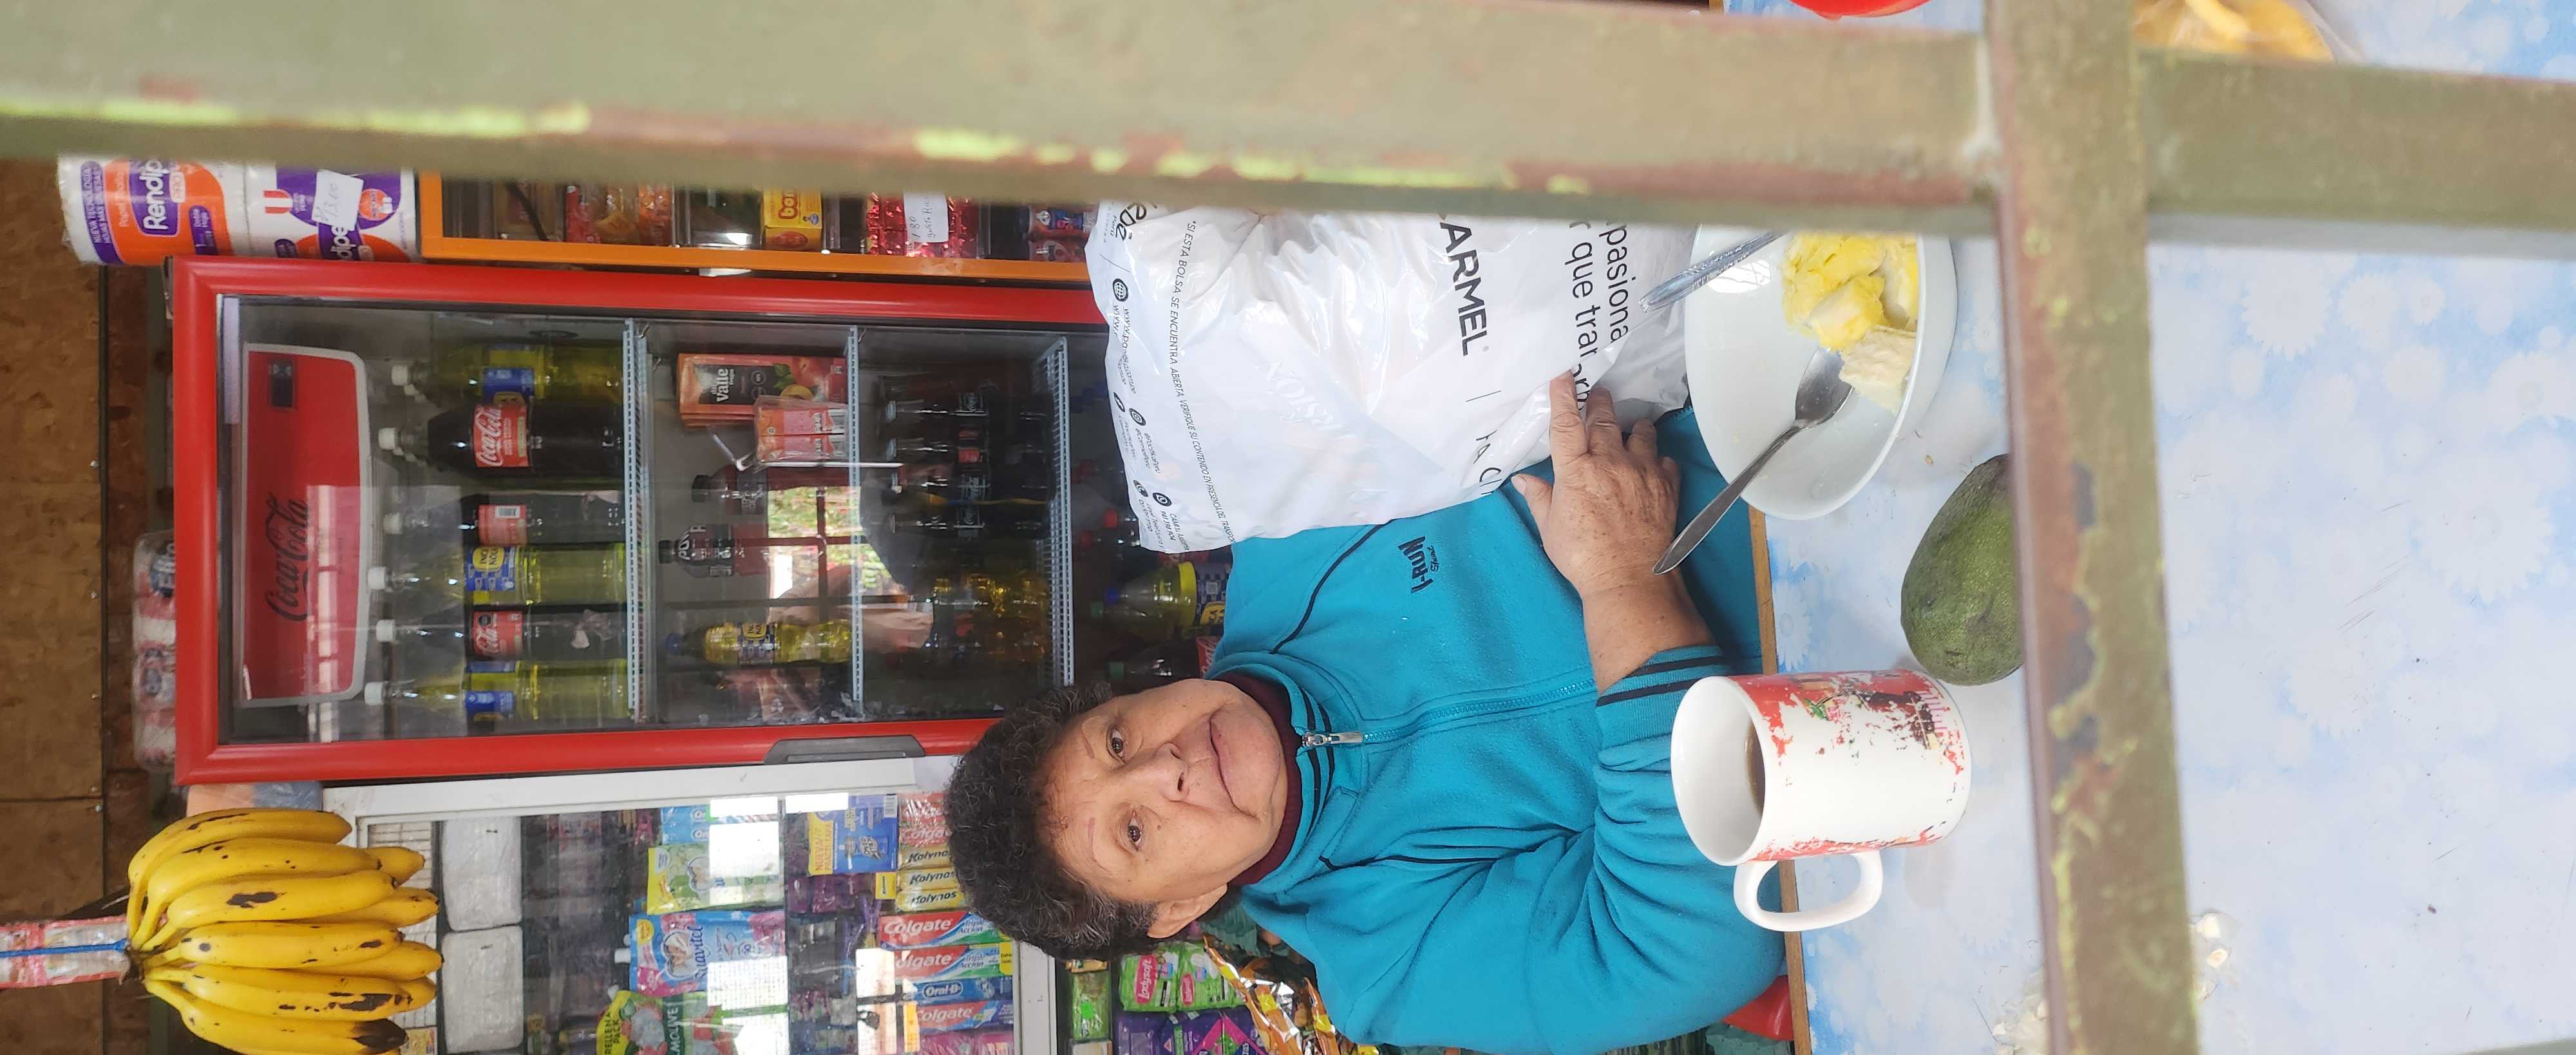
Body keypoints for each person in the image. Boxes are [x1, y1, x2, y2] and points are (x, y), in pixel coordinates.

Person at [949, 375, 1784, 1054]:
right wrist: (1626, 586)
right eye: (1135, 831)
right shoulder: (1390, 964)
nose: (1163, 766)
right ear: (1178, 910)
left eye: (1117, 740)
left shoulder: (1292, 522)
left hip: (1794, 447)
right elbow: (1688, 947)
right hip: (1841, 731)